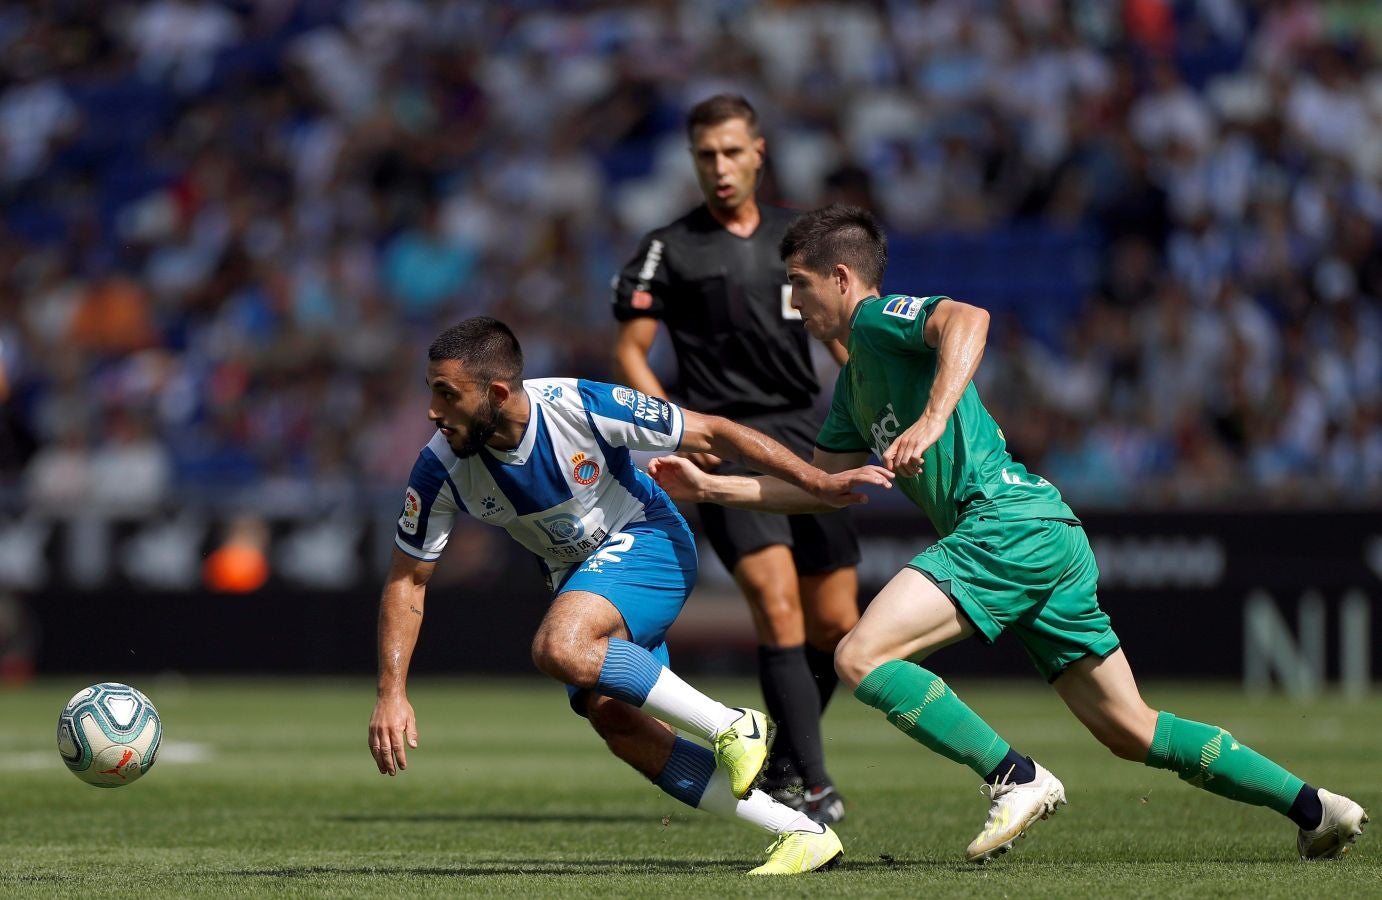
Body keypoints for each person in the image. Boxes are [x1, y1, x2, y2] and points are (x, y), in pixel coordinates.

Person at [649, 205, 1369, 864]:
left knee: (862, 656)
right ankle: (1316, 807)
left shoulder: (875, 320)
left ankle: (1014, 776)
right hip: (1045, 534)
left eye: (800, 286)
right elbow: (817, 487)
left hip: (1004, 522)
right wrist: (710, 488)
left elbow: (970, 319)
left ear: (841, 279)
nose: (793, 304)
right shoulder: (854, 388)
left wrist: (931, 421)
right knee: (1131, 729)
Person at [367, 316, 891, 874]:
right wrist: (391, 693)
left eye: (447, 395)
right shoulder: (439, 467)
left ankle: (733, 725)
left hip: (648, 540)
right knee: (617, 721)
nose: (432, 411)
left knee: (558, 646)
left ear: (496, 393)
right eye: (431, 393)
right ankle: (798, 832)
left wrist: (817, 481)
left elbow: (715, 432)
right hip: (580, 582)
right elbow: (407, 582)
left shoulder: (579, 404)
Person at [612, 94, 860, 823]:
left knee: (836, 623)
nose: (718, 167)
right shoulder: (670, 246)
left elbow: (842, 341)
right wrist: (675, 425)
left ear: (759, 151)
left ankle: (783, 760)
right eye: (704, 155)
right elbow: (630, 349)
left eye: (730, 151)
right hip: (723, 443)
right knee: (777, 607)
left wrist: (879, 406)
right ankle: (815, 785)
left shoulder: (799, 238)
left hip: (809, 440)